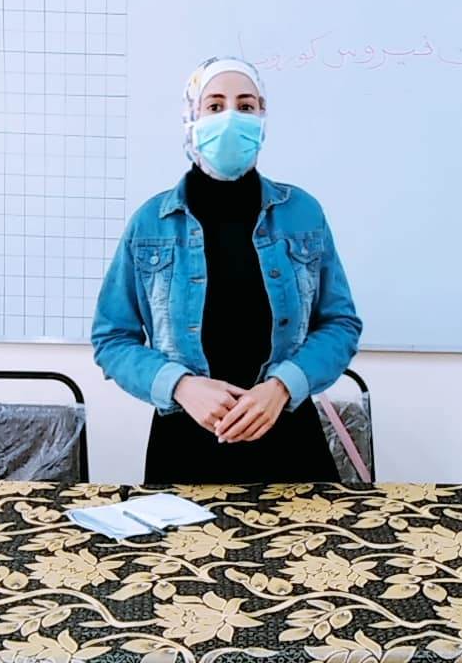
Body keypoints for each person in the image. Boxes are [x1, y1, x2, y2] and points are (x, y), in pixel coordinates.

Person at [91, 56, 362, 484]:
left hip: (291, 443)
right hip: (183, 447)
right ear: (192, 118)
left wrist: (283, 386)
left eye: (246, 105)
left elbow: (340, 324)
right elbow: (112, 338)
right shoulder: (151, 223)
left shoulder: (303, 213)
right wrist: (180, 385)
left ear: (262, 117)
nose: (232, 117)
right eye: (215, 106)